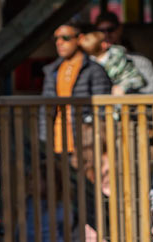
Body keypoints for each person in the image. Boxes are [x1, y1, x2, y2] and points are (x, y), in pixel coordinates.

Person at [39, 20, 112, 151]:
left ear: (80, 39)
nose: (59, 42)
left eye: (65, 38)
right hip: (57, 141)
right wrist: (44, 141)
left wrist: (98, 142)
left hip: (86, 142)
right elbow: (46, 109)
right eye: (56, 38)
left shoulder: (93, 69)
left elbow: (102, 110)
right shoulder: (52, 71)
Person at [94, 11, 153, 94]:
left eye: (110, 30)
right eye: (101, 31)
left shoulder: (138, 60)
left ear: (119, 29)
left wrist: (126, 90)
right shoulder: (91, 61)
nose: (106, 34)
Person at [78, 25, 145, 96]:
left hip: (122, 100)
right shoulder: (89, 63)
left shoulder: (118, 58)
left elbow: (136, 79)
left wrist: (122, 87)